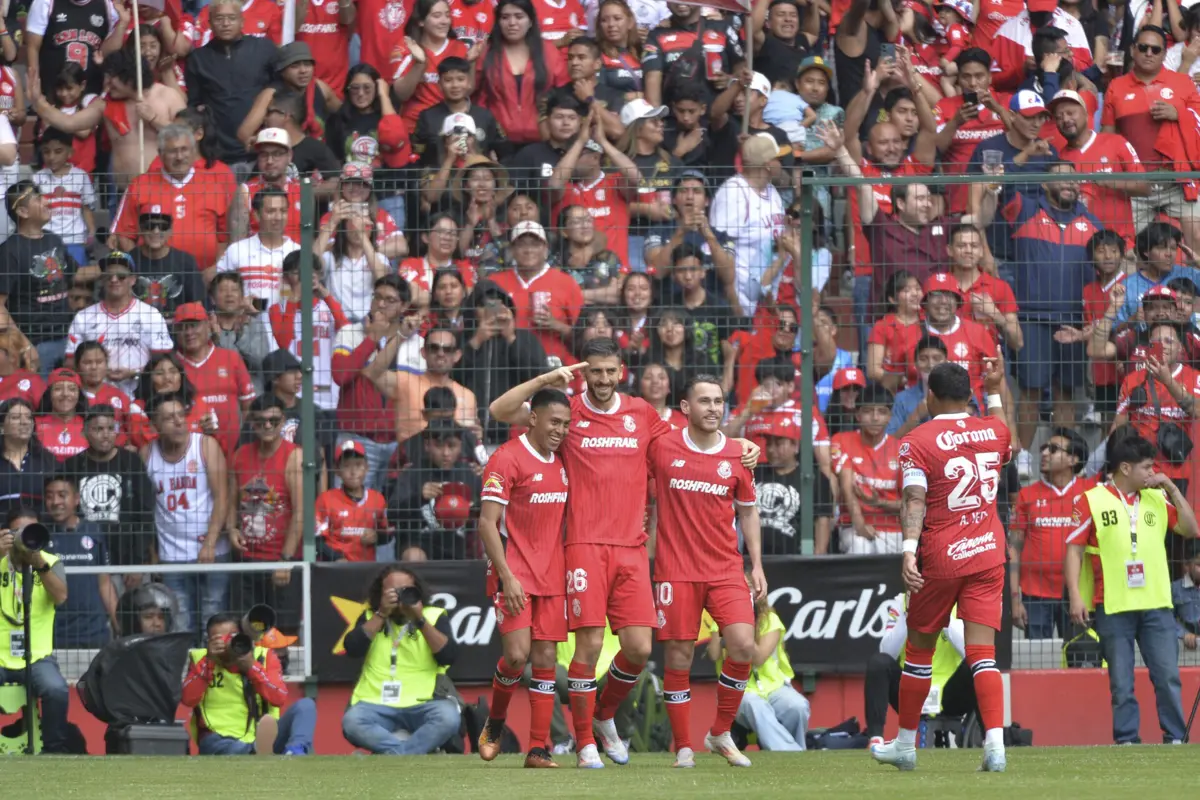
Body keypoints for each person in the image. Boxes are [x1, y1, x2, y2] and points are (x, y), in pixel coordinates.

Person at [488, 340, 759, 766]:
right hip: (582, 547)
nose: (603, 380)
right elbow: (500, 412)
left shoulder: (640, 413)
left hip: (632, 548)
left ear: (621, 372)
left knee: (638, 648)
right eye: (594, 372)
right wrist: (546, 380)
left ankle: (604, 715)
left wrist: (737, 444)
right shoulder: (568, 413)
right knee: (590, 646)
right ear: (584, 374)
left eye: (610, 372)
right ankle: (585, 746)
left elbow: (691, 443)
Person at [873, 359, 1011, 772]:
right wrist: (995, 390)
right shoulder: (994, 430)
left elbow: (914, 499)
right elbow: (1004, 434)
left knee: (918, 652)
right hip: (988, 551)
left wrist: (909, 549)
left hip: (941, 553)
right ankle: (996, 747)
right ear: (968, 396)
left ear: (929, 396)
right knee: (982, 654)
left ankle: (904, 746)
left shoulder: (916, 440)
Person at [646, 374, 763, 768]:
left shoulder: (737, 454)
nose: (713, 408)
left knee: (743, 644)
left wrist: (757, 565)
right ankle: (683, 746)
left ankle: (720, 732)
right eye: (704, 401)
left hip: (726, 567)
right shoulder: (661, 448)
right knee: (678, 657)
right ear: (684, 408)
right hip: (675, 569)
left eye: (718, 401)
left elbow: (747, 511)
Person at [1065, 433, 1198, 744]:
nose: (1154, 473)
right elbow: (1074, 550)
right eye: (1148, 467)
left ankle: (1176, 737)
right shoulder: (1091, 500)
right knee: (1121, 682)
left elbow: (1191, 529)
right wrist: (1075, 596)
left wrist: (1172, 488)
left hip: (1157, 603)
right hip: (1113, 603)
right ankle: (1127, 740)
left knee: (1167, 676)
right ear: (1125, 468)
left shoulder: (1157, 498)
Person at [476, 387, 571, 768]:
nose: (560, 430)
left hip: (552, 574)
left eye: (565, 424)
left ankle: (537, 748)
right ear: (533, 419)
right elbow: (486, 523)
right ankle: (495, 723)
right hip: (513, 573)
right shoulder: (507, 458)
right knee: (516, 657)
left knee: (546, 658)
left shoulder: (564, 459)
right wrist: (507, 576)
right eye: (553, 422)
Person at [341, 565, 460, 754]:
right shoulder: (371, 616)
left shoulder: (433, 615)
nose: (399, 597)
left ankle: (393, 755)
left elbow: (448, 657)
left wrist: (419, 619)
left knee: (448, 717)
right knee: (352, 721)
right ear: (380, 594)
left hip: (424, 701)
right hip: (375, 702)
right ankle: (414, 752)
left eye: (406, 591)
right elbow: (352, 649)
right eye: (392, 592)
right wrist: (381, 613)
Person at [142, 393, 231, 635]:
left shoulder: (204, 446)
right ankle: (187, 671)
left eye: (182, 415)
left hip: (213, 551)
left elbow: (222, 497)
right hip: (172, 554)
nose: (179, 422)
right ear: (155, 425)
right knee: (180, 623)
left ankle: (211, 671)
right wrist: (153, 553)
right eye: (169, 418)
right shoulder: (147, 455)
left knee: (212, 621)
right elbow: (145, 509)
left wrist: (210, 544)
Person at [181, 612, 317, 755]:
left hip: (263, 737)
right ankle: (254, 752)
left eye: (232, 637)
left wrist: (252, 667)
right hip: (218, 738)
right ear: (209, 641)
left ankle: (294, 751)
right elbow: (188, 699)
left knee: (306, 706)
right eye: (219, 639)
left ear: (243, 637)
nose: (227, 643)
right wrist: (209, 661)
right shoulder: (201, 659)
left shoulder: (262, 656)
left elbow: (279, 697)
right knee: (218, 745)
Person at [112, 125, 238, 277]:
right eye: (172, 151)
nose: (179, 157)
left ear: (193, 151)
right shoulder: (140, 185)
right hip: (153, 277)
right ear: (160, 154)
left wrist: (215, 270)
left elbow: (225, 237)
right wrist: (141, 270)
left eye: (184, 149)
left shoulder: (214, 186)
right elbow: (124, 236)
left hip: (205, 276)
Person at [705, 579, 809, 751]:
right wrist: (728, 625)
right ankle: (791, 753)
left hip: (774, 686)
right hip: (739, 690)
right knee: (755, 704)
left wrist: (744, 632)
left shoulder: (771, 620)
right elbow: (714, 654)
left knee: (797, 706)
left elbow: (759, 657)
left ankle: (792, 750)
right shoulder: (722, 619)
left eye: (751, 588)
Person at [1010, 428, 1093, 640]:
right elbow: (1014, 549)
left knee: (1078, 658)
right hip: (1034, 594)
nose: (1044, 453)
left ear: (1073, 459)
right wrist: (1014, 598)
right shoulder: (1026, 495)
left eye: (1053, 449)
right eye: (1044, 448)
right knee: (1038, 663)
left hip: (1078, 593)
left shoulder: (1092, 492)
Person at [0, 505, 70, 753]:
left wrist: (39, 563)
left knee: (56, 690)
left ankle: (54, 750)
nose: (23, 538)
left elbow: (61, 596)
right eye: (18, 531)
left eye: (30, 531)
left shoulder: (50, 562)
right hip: (0, 655)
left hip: (37, 655)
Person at [865, 592, 974, 748]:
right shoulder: (900, 602)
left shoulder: (961, 602)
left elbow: (970, 651)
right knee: (878, 663)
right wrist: (908, 616)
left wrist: (943, 617)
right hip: (911, 689)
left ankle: (989, 740)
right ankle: (876, 738)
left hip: (950, 692)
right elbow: (886, 651)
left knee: (978, 664)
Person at [229, 395, 303, 627]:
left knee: (284, 632)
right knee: (247, 630)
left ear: (283, 422)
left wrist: (285, 560)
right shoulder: (240, 455)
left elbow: (301, 512)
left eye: (274, 420)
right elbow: (231, 501)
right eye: (261, 421)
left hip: (281, 559)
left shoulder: (294, 456)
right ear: (252, 423)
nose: (267, 426)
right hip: (247, 559)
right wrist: (231, 528)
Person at [0, 180, 87, 375]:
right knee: (43, 403)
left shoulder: (53, 239)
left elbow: (78, 274)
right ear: (22, 212)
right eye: (38, 199)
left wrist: (114, 265)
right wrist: (25, 346)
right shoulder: (9, 251)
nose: (47, 202)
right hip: (37, 343)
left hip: (69, 338)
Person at [186, 0, 280, 167]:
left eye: (231, 18)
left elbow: (280, 91)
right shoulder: (198, 59)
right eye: (219, 18)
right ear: (210, 23)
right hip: (218, 156)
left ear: (242, 21)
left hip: (260, 152)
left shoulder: (264, 49)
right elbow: (195, 105)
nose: (225, 24)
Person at [65, 251, 173, 396]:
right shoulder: (83, 317)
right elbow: (70, 363)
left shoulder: (151, 315)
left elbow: (164, 362)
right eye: (109, 276)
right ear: (103, 280)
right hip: (95, 400)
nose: (114, 279)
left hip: (141, 394)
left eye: (121, 276)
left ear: (133, 280)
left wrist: (133, 373)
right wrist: (95, 374)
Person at [1112, 322, 1200, 495]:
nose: (1164, 346)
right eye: (1157, 342)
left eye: (1169, 341)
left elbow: (1197, 410)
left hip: (1177, 471)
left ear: (1180, 348)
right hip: (1139, 472)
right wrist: (1113, 464)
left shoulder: (1195, 378)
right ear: (1148, 347)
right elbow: (1119, 427)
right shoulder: (1132, 380)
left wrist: (1168, 381)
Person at [64, 404, 156, 569]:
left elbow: (145, 512)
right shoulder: (72, 466)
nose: (106, 435)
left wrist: (138, 561)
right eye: (98, 429)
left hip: (127, 558)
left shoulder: (131, 462)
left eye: (110, 428)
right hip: (84, 555)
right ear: (84, 433)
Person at [173, 302, 257, 457]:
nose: (188, 332)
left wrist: (246, 445)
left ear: (208, 325)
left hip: (235, 453)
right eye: (182, 327)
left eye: (194, 325)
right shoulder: (172, 366)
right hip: (189, 457)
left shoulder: (231, 358)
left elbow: (249, 408)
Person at [43, 474, 116, 646]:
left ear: (76, 499)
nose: (55, 502)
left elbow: (104, 583)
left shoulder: (94, 531)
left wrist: (117, 623)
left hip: (93, 631)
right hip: (54, 633)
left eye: (62, 495)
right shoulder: (41, 534)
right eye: (49, 496)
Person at [833, 383, 902, 555]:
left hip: (894, 528)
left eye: (881, 412)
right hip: (853, 525)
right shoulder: (841, 440)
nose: (875, 418)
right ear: (857, 415)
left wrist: (878, 503)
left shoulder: (901, 449)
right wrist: (859, 523)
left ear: (889, 417)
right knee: (859, 545)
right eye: (868, 411)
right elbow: (846, 486)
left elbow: (910, 503)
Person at [315, 441, 390, 562]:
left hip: (366, 567)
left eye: (358, 465)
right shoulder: (326, 499)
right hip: (335, 567)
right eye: (346, 466)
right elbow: (317, 539)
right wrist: (336, 558)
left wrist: (376, 536)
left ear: (367, 468)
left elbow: (387, 534)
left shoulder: (377, 499)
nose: (353, 471)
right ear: (337, 470)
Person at [33, 127, 95, 267]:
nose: (52, 157)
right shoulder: (38, 178)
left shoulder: (80, 176)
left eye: (58, 151)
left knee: (77, 277)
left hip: (75, 239)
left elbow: (86, 208)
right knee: (52, 276)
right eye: (46, 152)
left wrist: (91, 232)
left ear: (70, 152)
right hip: (48, 239)